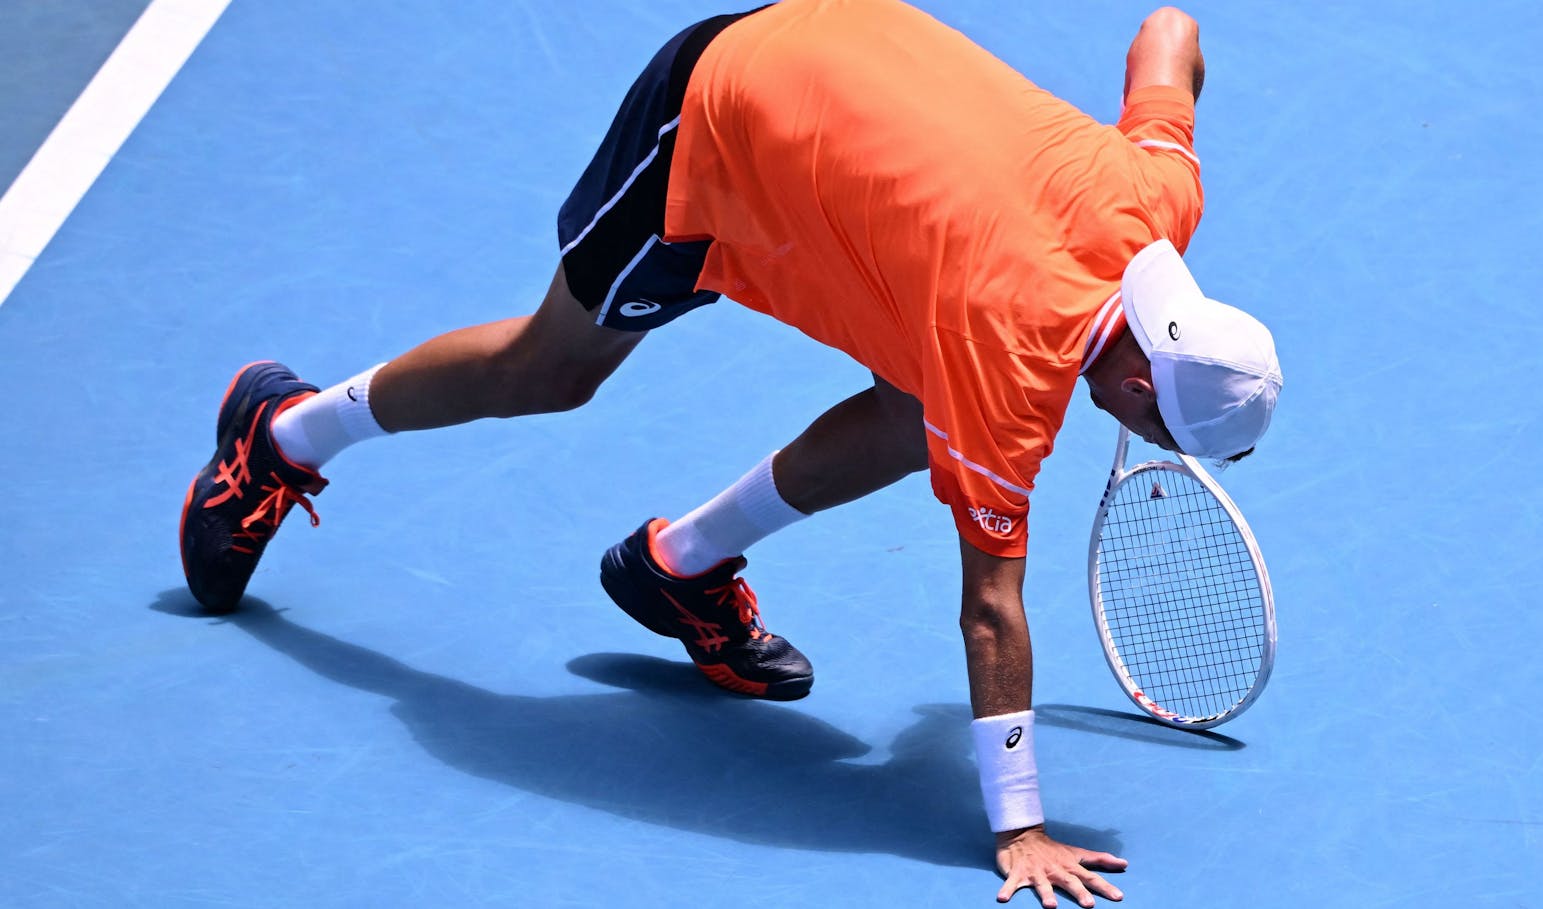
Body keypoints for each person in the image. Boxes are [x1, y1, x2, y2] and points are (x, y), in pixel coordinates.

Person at [179, 1, 1282, 905]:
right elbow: (989, 607)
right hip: (719, 114)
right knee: (550, 367)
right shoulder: (1005, 369)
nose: (1141, 439)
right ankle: (279, 435)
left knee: (913, 410)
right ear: (1136, 382)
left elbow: (1167, 34)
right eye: (1154, 428)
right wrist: (1022, 825)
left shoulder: (1157, 198)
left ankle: (677, 564)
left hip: (841, 51)